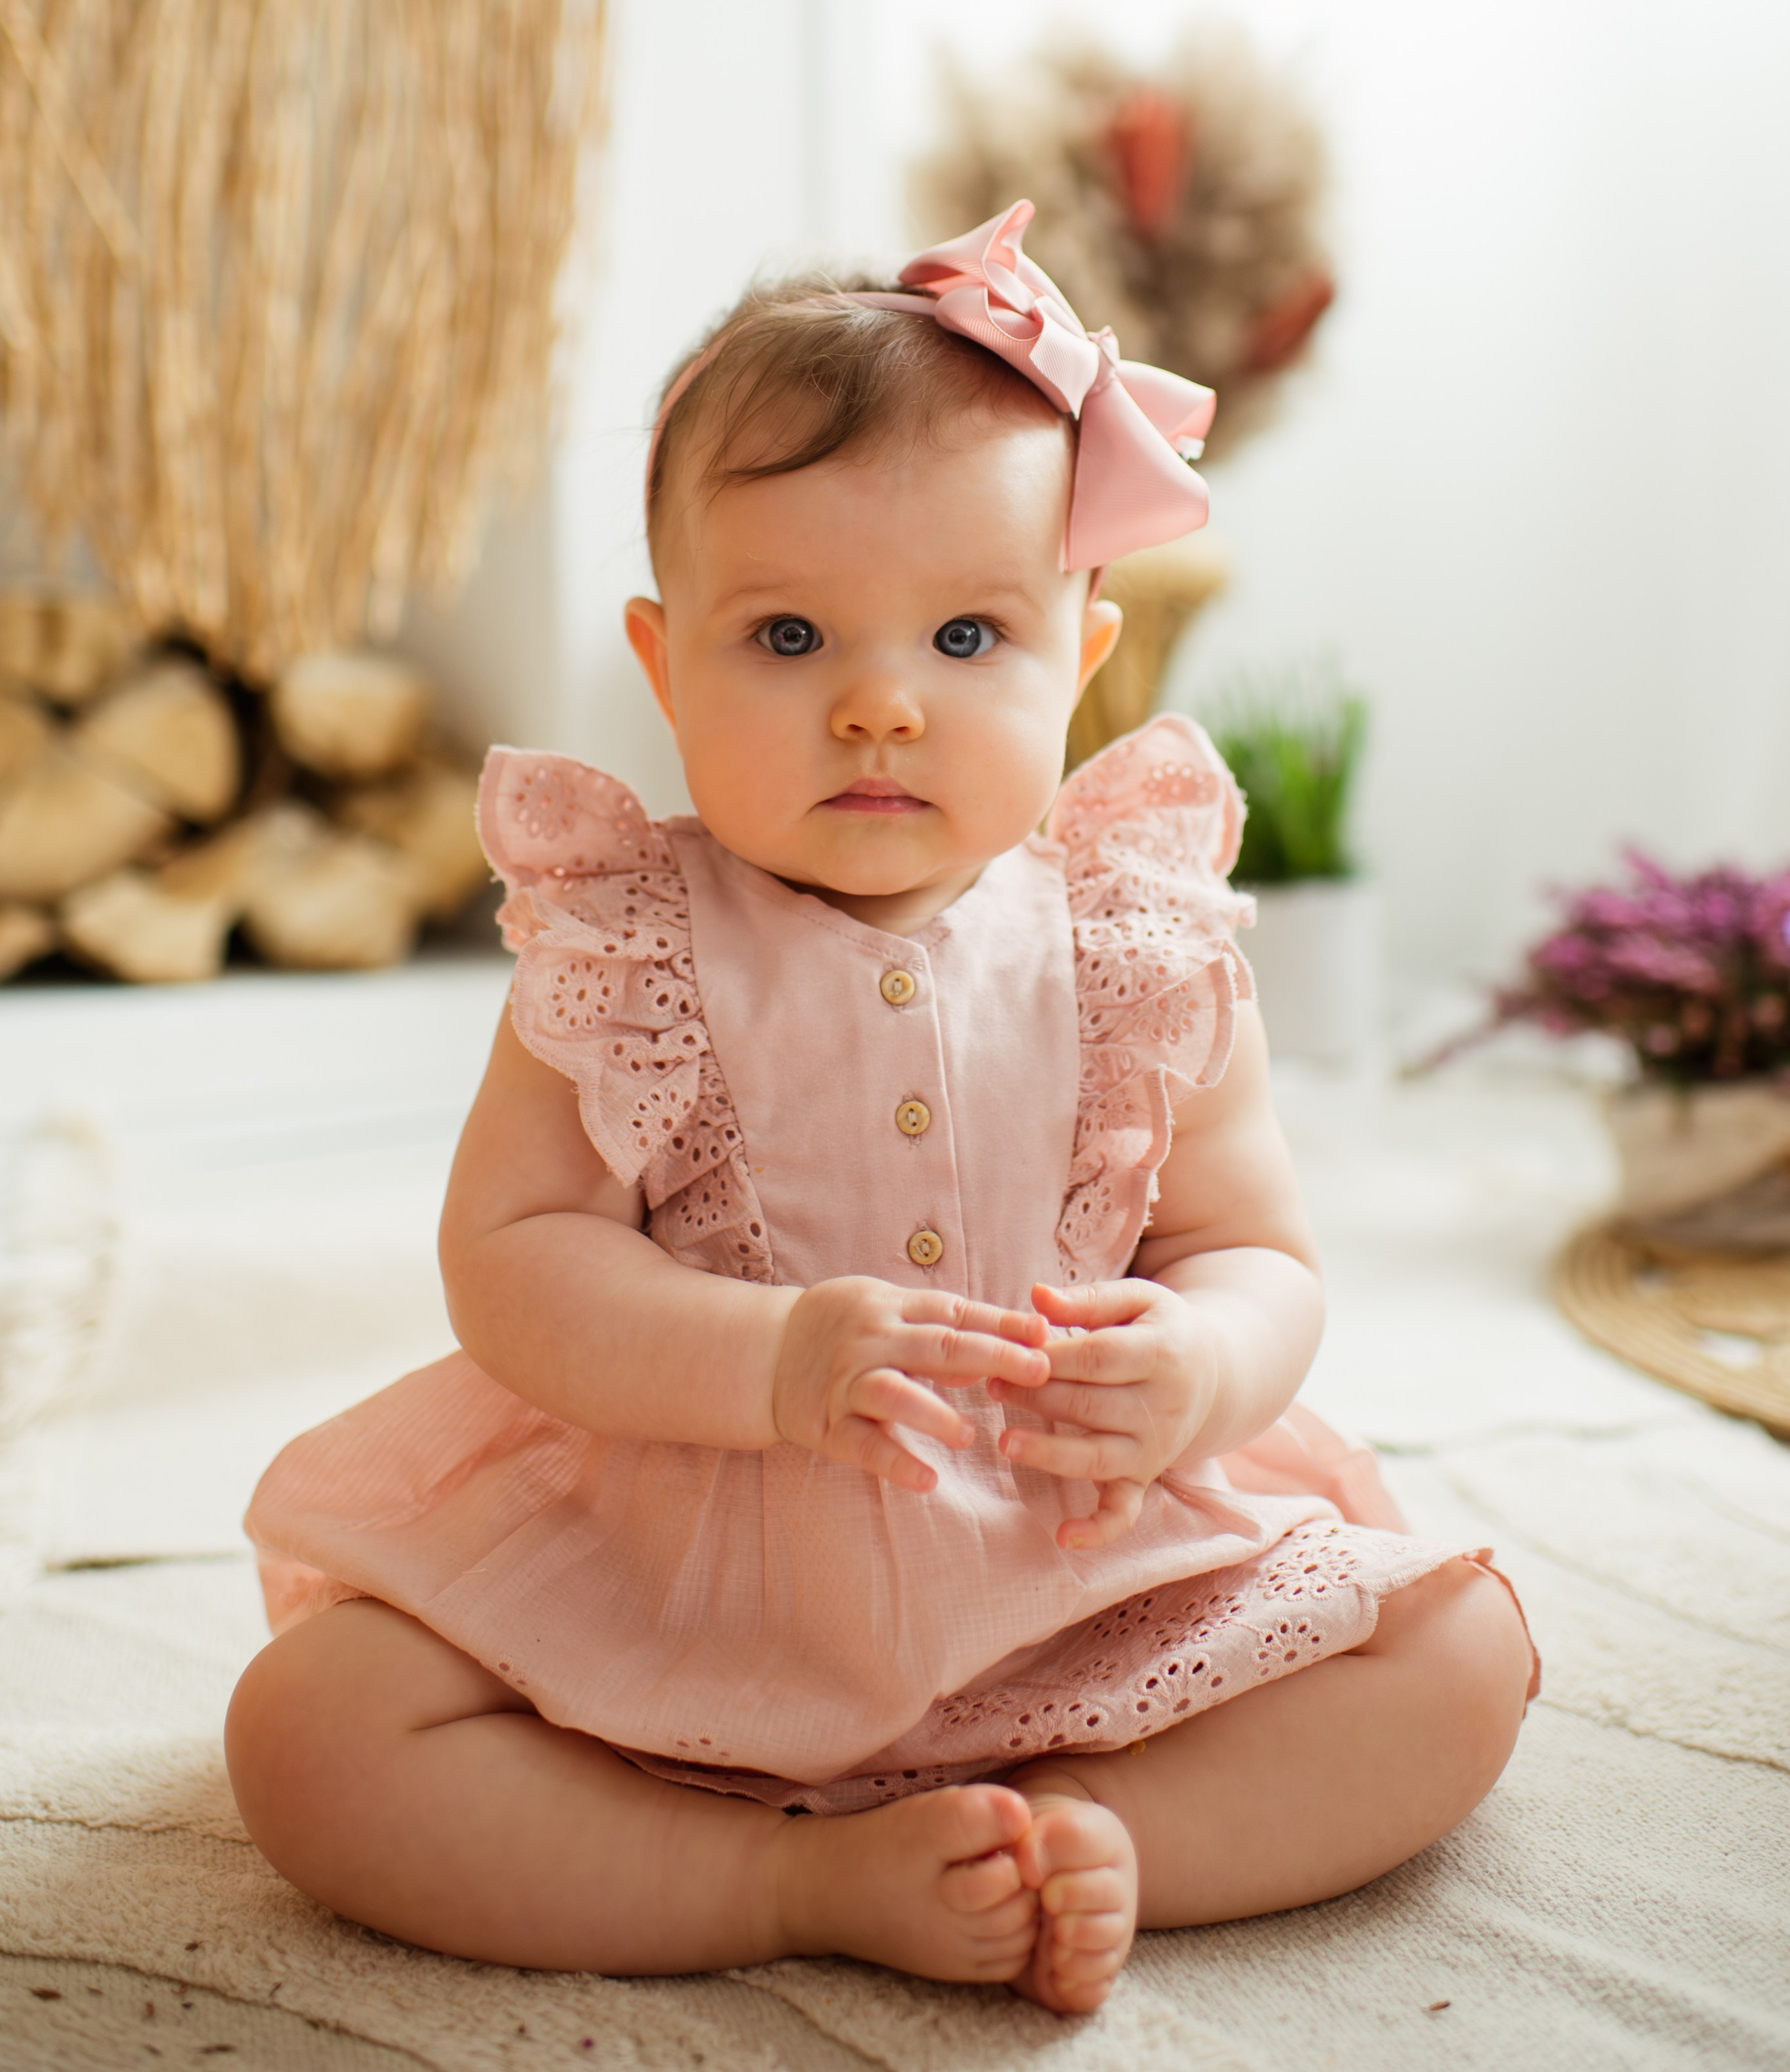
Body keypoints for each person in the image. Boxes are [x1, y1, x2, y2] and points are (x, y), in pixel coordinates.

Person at [227, 203, 1535, 2014]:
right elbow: (511, 1257)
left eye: (966, 634)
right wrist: (765, 1362)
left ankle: (1091, 1831)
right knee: (315, 1732)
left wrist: (1204, 1366)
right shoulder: (631, 937)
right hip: (686, 1565)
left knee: (1461, 1651)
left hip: (1079, 1558)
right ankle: (785, 1875)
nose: (876, 706)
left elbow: (1254, 1244)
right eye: (784, 635)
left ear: (1081, 660)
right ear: (663, 658)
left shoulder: (1132, 934)